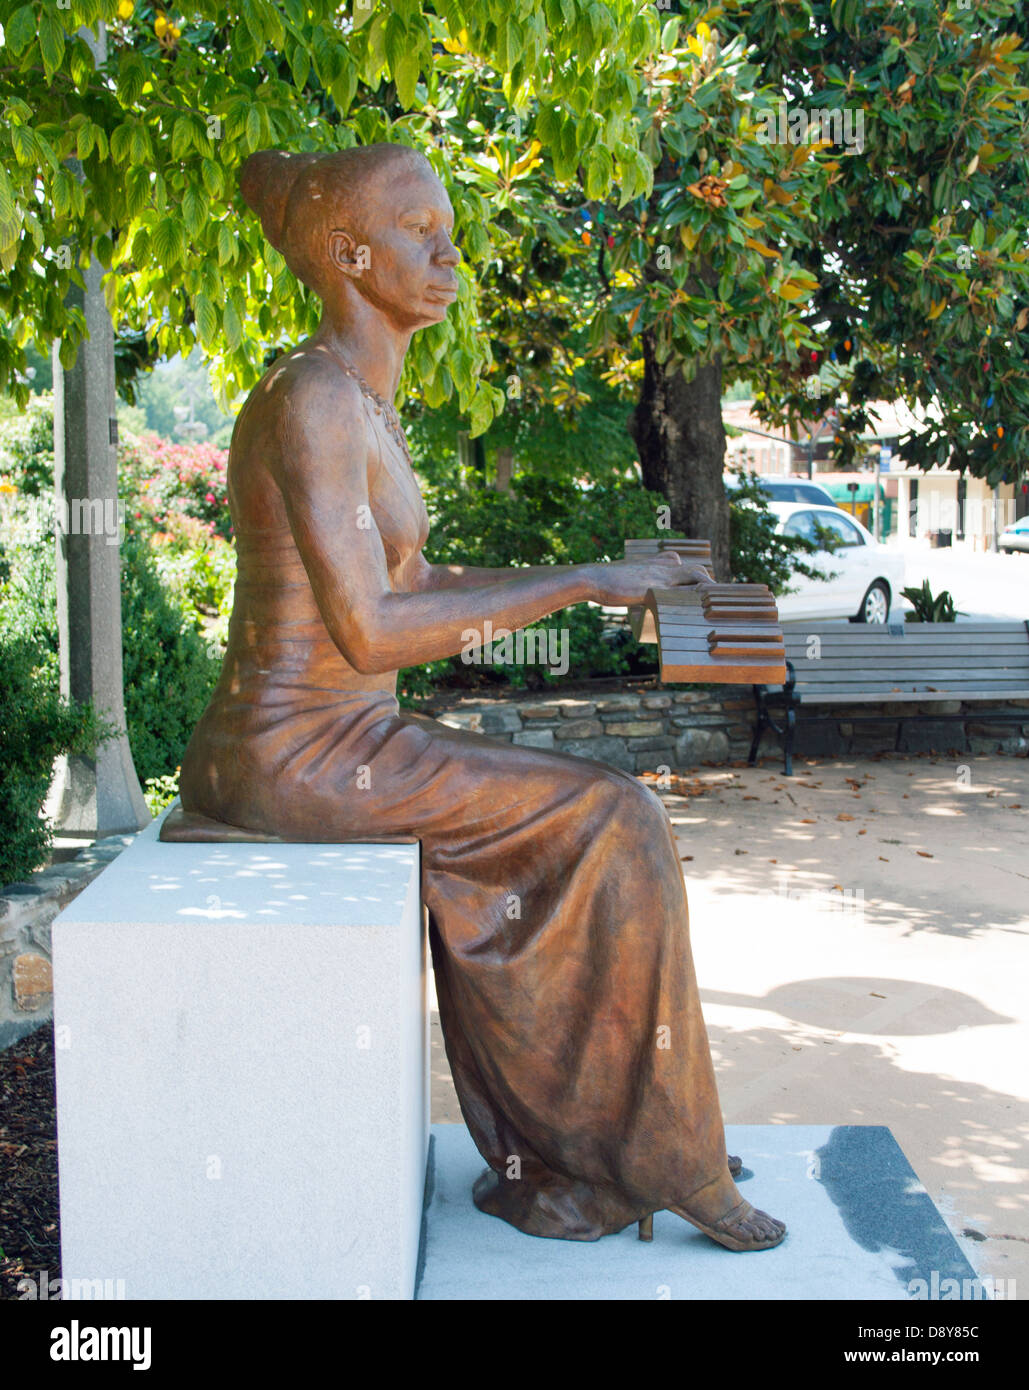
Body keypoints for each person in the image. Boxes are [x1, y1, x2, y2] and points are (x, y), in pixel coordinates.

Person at [177, 141, 785, 1251]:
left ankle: (604, 1137)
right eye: (417, 227)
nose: (448, 248)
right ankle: (641, 1148)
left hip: (344, 735)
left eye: (445, 223)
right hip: (292, 752)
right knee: (617, 815)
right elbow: (368, 629)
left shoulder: (359, 396)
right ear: (347, 254)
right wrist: (583, 580)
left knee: (586, 826)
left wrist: (598, 572)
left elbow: (410, 585)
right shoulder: (311, 397)